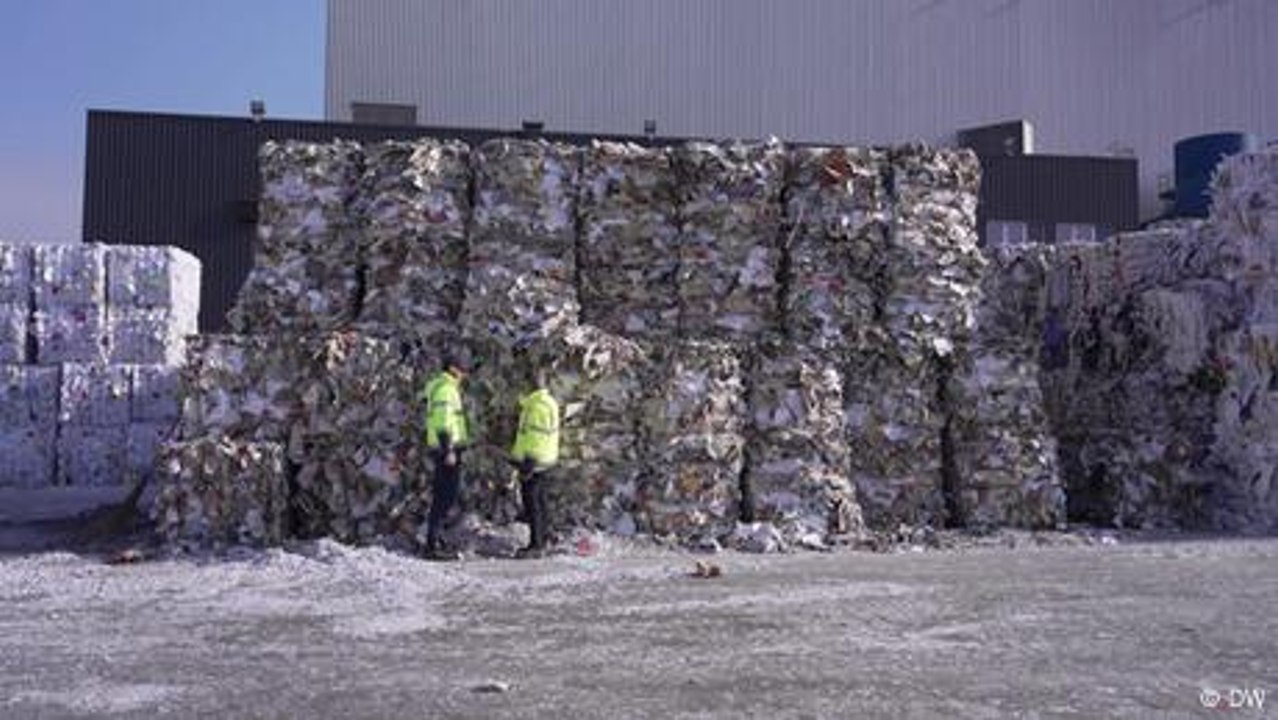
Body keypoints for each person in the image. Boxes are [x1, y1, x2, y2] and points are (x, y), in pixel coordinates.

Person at [420, 353, 471, 560]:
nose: (465, 374)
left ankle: (435, 539)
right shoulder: (445, 390)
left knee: (444, 495)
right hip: (446, 449)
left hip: (445, 447)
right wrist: (448, 449)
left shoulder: (442, 388)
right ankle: (432, 545)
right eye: (463, 369)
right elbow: (442, 421)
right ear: (453, 368)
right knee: (445, 496)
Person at [509, 364, 560, 559]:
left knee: (533, 504)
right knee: (541, 501)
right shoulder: (549, 402)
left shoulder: (536, 407)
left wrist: (527, 464)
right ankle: (544, 538)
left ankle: (536, 545)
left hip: (534, 462)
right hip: (545, 459)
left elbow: (534, 437)